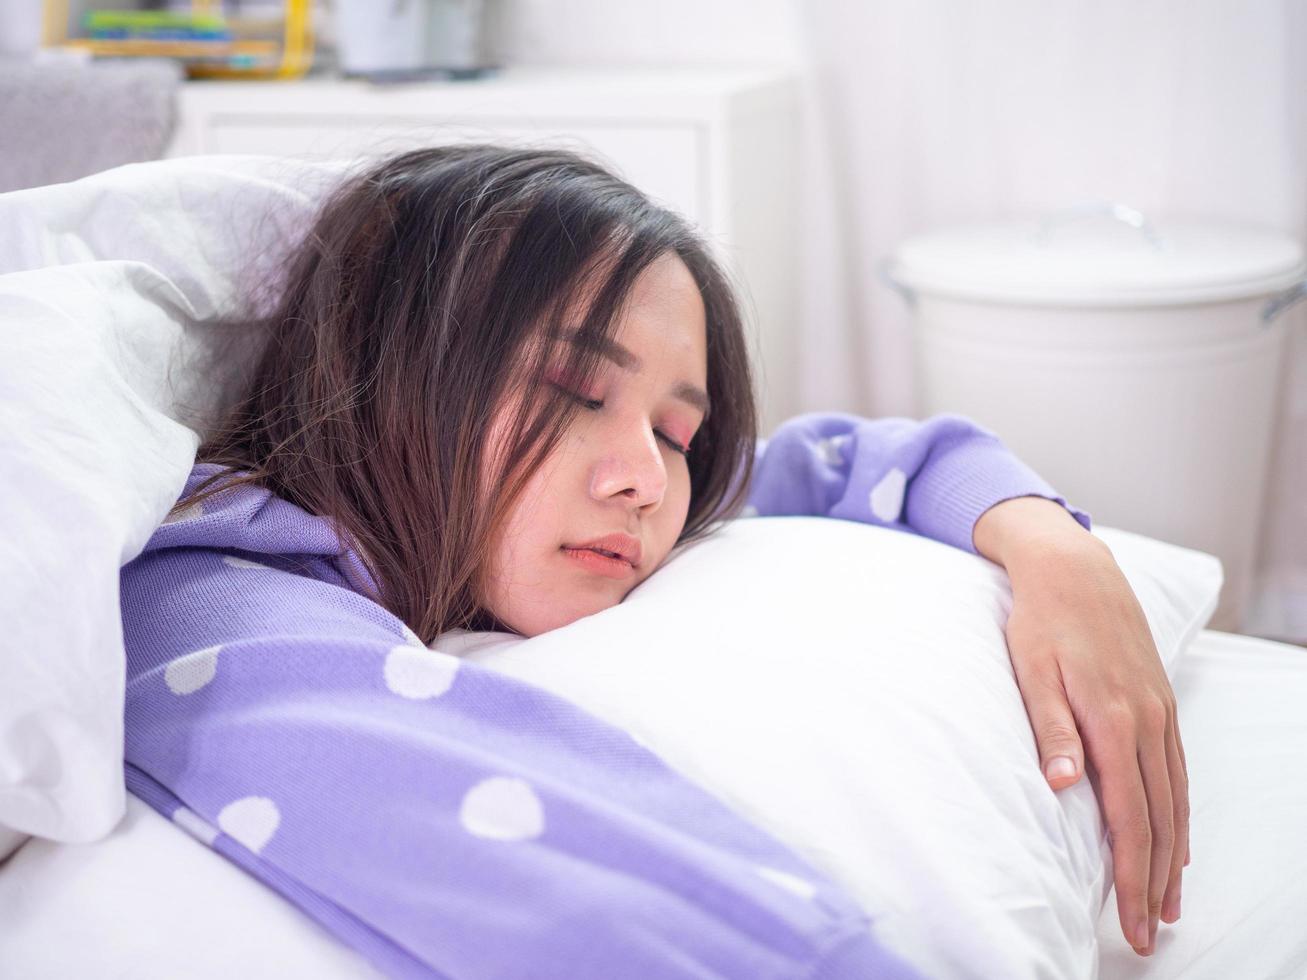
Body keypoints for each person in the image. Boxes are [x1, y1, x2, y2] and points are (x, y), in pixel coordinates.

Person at [120, 144, 1185, 975]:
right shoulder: (206, 597)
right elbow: (547, 874)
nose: (641, 475)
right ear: (389, 366)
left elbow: (830, 460)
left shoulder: (597, 502)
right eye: (572, 391)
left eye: (674, 432)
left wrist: (1047, 544)